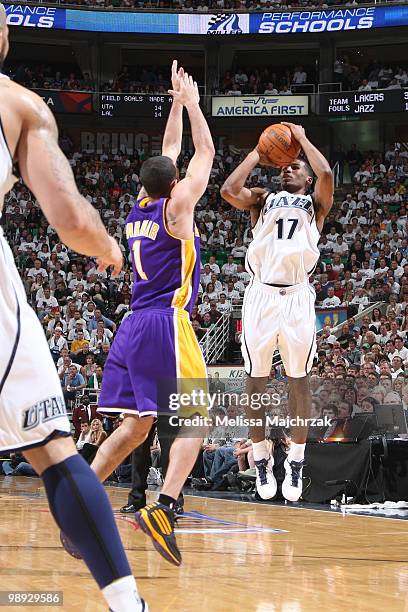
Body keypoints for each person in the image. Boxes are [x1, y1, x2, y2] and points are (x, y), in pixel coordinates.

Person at [0, 9, 147, 610]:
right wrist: (109, 245)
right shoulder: (18, 106)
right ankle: (126, 603)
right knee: (53, 448)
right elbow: (69, 219)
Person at [91, 63, 214, 566]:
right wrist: (195, 104)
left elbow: (168, 151)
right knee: (198, 417)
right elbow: (202, 152)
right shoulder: (175, 207)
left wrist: (174, 102)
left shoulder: (139, 206)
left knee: (138, 426)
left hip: (131, 326)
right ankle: (163, 506)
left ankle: (78, 493)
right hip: (166, 320)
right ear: (175, 184)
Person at [221, 122, 333, 502]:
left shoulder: (316, 205)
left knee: (298, 380)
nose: (289, 169)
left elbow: (328, 173)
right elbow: (227, 190)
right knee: (256, 379)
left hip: (299, 296)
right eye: (286, 165)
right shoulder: (262, 198)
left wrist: (300, 140)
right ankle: (262, 458)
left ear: (305, 176)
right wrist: (258, 151)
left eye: (296, 167)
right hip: (261, 296)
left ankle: (296, 460)